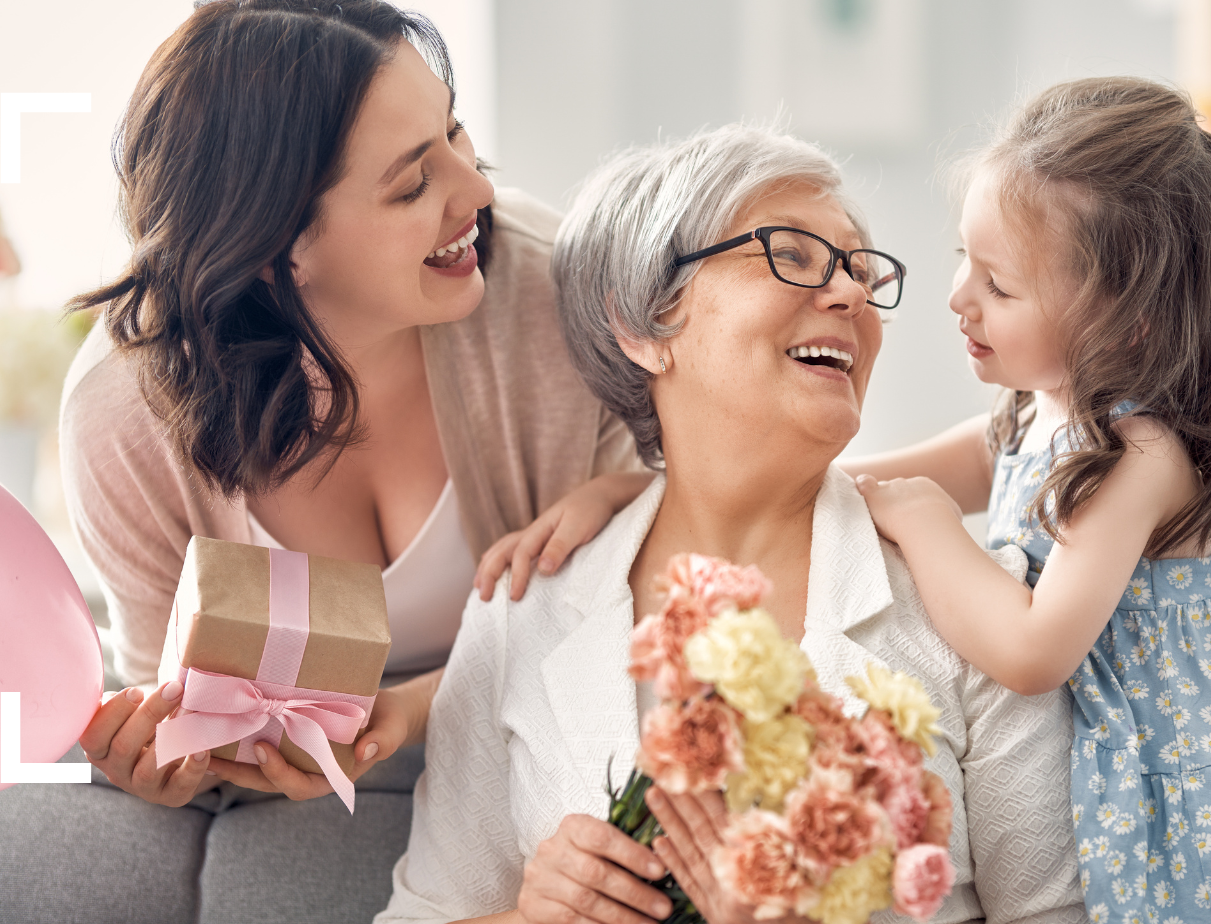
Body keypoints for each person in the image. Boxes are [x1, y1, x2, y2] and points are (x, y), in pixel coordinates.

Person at [377, 123, 1085, 924]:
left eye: (857, 266)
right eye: (792, 254)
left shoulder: (971, 610)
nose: (851, 293)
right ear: (640, 326)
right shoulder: (522, 610)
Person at [61, 0, 642, 809]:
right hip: (297, 831)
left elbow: (670, 589)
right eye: (413, 184)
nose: (477, 186)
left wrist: (625, 491)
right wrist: (169, 768)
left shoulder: (555, 296)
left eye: (456, 131)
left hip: (553, 778)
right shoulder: (124, 418)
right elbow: (174, 717)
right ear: (272, 252)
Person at [848, 78, 1211, 922]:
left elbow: (1036, 652)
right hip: (1113, 788)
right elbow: (861, 481)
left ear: (1127, 321)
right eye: (965, 257)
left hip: (1191, 823)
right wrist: (660, 484)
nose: (959, 296)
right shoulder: (1034, 413)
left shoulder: (1138, 454)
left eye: (999, 285)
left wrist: (927, 522)